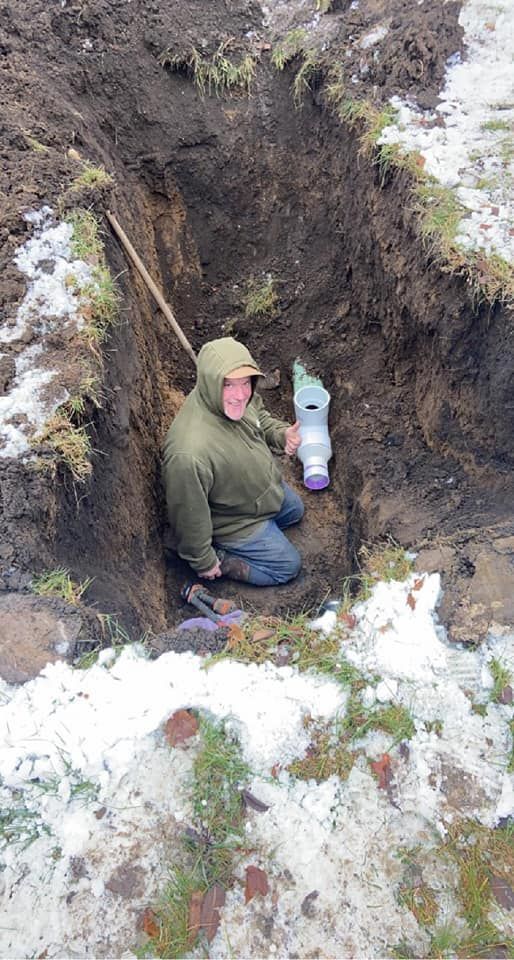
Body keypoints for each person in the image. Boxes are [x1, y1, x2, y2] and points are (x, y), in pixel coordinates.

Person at [162, 336, 304, 585]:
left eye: (245, 383)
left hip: (259, 494)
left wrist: (281, 434)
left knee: (295, 511)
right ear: (211, 382)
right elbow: (189, 514)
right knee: (287, 566)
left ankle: (265, 526)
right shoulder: (189, 454)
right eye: (228, 385)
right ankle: (221, 556)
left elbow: (260, 416)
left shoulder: (237, 401)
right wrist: (203, 559)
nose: (239, 395)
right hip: (233, 520)